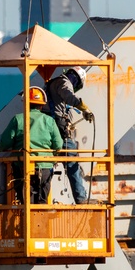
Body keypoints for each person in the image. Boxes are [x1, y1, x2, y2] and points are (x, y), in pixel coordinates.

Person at [0, 86, 63, 204]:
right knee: (42, 202)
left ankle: (25, 219)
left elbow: (6, 142)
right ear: (41, 105)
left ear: (25, 103)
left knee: (25, 202)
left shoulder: (18, 119)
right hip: (44, 165)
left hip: (22, 166)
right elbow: (58, 144)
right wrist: (52, 157)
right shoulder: (49, 120)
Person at [44, 66, 93, 203]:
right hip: (58, 128)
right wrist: (84, 108)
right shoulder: (64, 82)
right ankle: (81, 199)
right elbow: (69, 96)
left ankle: (42, 199)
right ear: (76, 79)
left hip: (48, 127)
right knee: (72, 162)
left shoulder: (52, 83)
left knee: (46, 164)